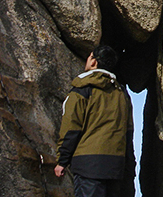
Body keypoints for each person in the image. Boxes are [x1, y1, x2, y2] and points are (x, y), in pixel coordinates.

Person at [55, 45, 135, 197]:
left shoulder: (81, 90)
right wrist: (129, 167)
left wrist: (62, 161)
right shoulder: (122, 94)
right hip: (116, 167)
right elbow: (128, 132)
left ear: (93, 62)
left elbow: (71, 128)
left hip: (87, 165)